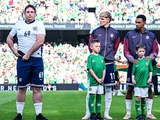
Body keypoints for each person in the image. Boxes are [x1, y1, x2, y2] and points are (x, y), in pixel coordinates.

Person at [6, 4, 48, 120]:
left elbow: (40, 41)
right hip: (22, 60)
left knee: (36, 88)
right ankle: (19, 114)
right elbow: (9, 38)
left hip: (36, 59)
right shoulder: (18, 24)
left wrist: (28, 53)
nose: (29, 14)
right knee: (22, 87)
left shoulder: (39, 24)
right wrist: (14, 50)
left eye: (32, 12)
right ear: (24, 13)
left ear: (35, 14)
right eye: (27, 12)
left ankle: (38, 115)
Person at [82, 11, 120, 120]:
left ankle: (106, 113)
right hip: (96, 64)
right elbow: (90, 46)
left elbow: (115, 47)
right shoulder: (95, 31)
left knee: (108, 89)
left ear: (108, 19)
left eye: (103, 18)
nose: (100, 20)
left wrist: (110, 55)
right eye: (100, 18)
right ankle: (88, 113)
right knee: (91, 89)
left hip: (108, 63)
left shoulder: (115, 33)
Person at [123, 14, 158, 119]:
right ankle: (128, 112)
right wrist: (131, 59)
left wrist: (151, 57)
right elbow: (126, 50)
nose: (137, 24)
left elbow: (155, 50)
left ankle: (148, 112)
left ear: (144, 23)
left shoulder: (151, 35)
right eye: (136, 22)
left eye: (139, 22)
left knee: (149, 88)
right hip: (134, 65)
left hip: (147, 66)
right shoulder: (129, 34)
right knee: (130, 88)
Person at [132, 44, 153, 120]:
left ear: (145, 52)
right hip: (137, 83)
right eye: (140, 51)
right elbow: (133, 72)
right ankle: (138, 115)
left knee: (144, 98)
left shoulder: (147, 60)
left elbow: (151, 70)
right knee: (138, 97)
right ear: (136, 52)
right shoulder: (135, 62)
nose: (141, 52)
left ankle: (143, 114)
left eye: (143, 51)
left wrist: (150, 78)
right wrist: (133, 79)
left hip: (145, 82)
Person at [87, 39, 106, 120]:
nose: (98, 48)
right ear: (91, 47)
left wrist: (102, 78)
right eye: (96, 46)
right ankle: (92, 114)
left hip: (101, 81)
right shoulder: (90, 57)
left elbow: (104, 69)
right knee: (92, 96)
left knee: (99, 96)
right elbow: (90, 69)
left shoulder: (102, 58)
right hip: (93, 81)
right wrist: (97, 78)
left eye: (99, 46)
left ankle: (98, 113)